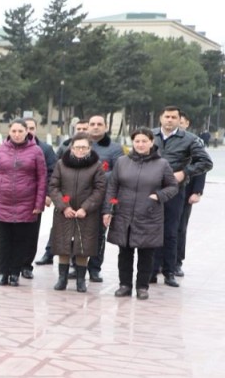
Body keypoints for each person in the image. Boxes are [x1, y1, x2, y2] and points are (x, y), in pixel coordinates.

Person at [104, 128, 179, 299]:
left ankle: (142, 287)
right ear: (133, 142)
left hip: (149, 214)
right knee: (124, 252)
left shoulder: (162, 164)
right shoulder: (122, 162)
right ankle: (124, 285)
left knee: (146, 254)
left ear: (152, 142)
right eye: (137, 141)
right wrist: (108, 209)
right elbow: (112, 187)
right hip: (124, 213)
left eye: (144, 141)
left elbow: (173, 186)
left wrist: (158, 196)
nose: (140, 144)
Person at [150, 106, 213, 286]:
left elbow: (206, 162)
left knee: (171, 231)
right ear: (160, 118)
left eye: (173, 117)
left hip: (175, 190)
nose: (169, 120)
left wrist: (185, 173)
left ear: (179, 120)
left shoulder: (190, 139)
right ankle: (152, 270)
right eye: (166, 116)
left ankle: (170, 271)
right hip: (151, 189)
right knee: (152, 229)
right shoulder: (150, 135)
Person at [0, 119, 47, 286]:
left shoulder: (36, 151)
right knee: (3, 239)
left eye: (20, 131)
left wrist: (38, 203)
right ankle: (3, 272)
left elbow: (42, 179)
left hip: (26, 203)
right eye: (14, 131)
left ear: (27, 132)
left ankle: (14, 273)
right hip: (2, 201)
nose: (17, 134)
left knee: (21, 239)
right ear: (9, 132)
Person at [47, 134, 107, 292]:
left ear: (89, 148)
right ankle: (62, 279)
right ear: (71, 148)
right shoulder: (61, 164)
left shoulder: (96, 166)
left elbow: (100, 190)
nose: (80, 150)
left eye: (84, 147)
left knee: (83, 245)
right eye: (77, 147)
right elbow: (53, 186)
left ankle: (81, 280)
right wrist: (64, 206)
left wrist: (85, 208)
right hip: (64, 212)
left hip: (86, 213)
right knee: (63, 244)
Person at [82, 114, 124, 282]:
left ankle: (94, 268)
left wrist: (95, 176)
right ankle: (76, 265)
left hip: (102, 198)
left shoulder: (114, 149)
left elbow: (118, 172)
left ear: (105, 127)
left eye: (100, 124)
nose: (96, 127)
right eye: (92, 124)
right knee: (78, 233)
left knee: (98, 235)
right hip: (80, 197)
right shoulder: (79, 144)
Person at [174, 112, 207, 277]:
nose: (178, 125)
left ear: (187, 124)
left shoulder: (195, 142)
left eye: (181, 122)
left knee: (180, 227)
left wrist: (197, 191)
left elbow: (201, 168)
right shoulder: (163, 140)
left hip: (186, 190)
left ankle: (176, 262)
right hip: (165, 191)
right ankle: (159, 262)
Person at [26, 117, 59, 273]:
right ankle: (12, 266)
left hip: (35, 199)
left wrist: (48, 194)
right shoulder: (7, 148)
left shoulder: (45, 149)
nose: (28, 131)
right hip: (15, 200)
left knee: (31, 235)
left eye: (31, 128)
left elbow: (53, 173)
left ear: (36, 129)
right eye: (25, 128)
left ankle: (26, 266)